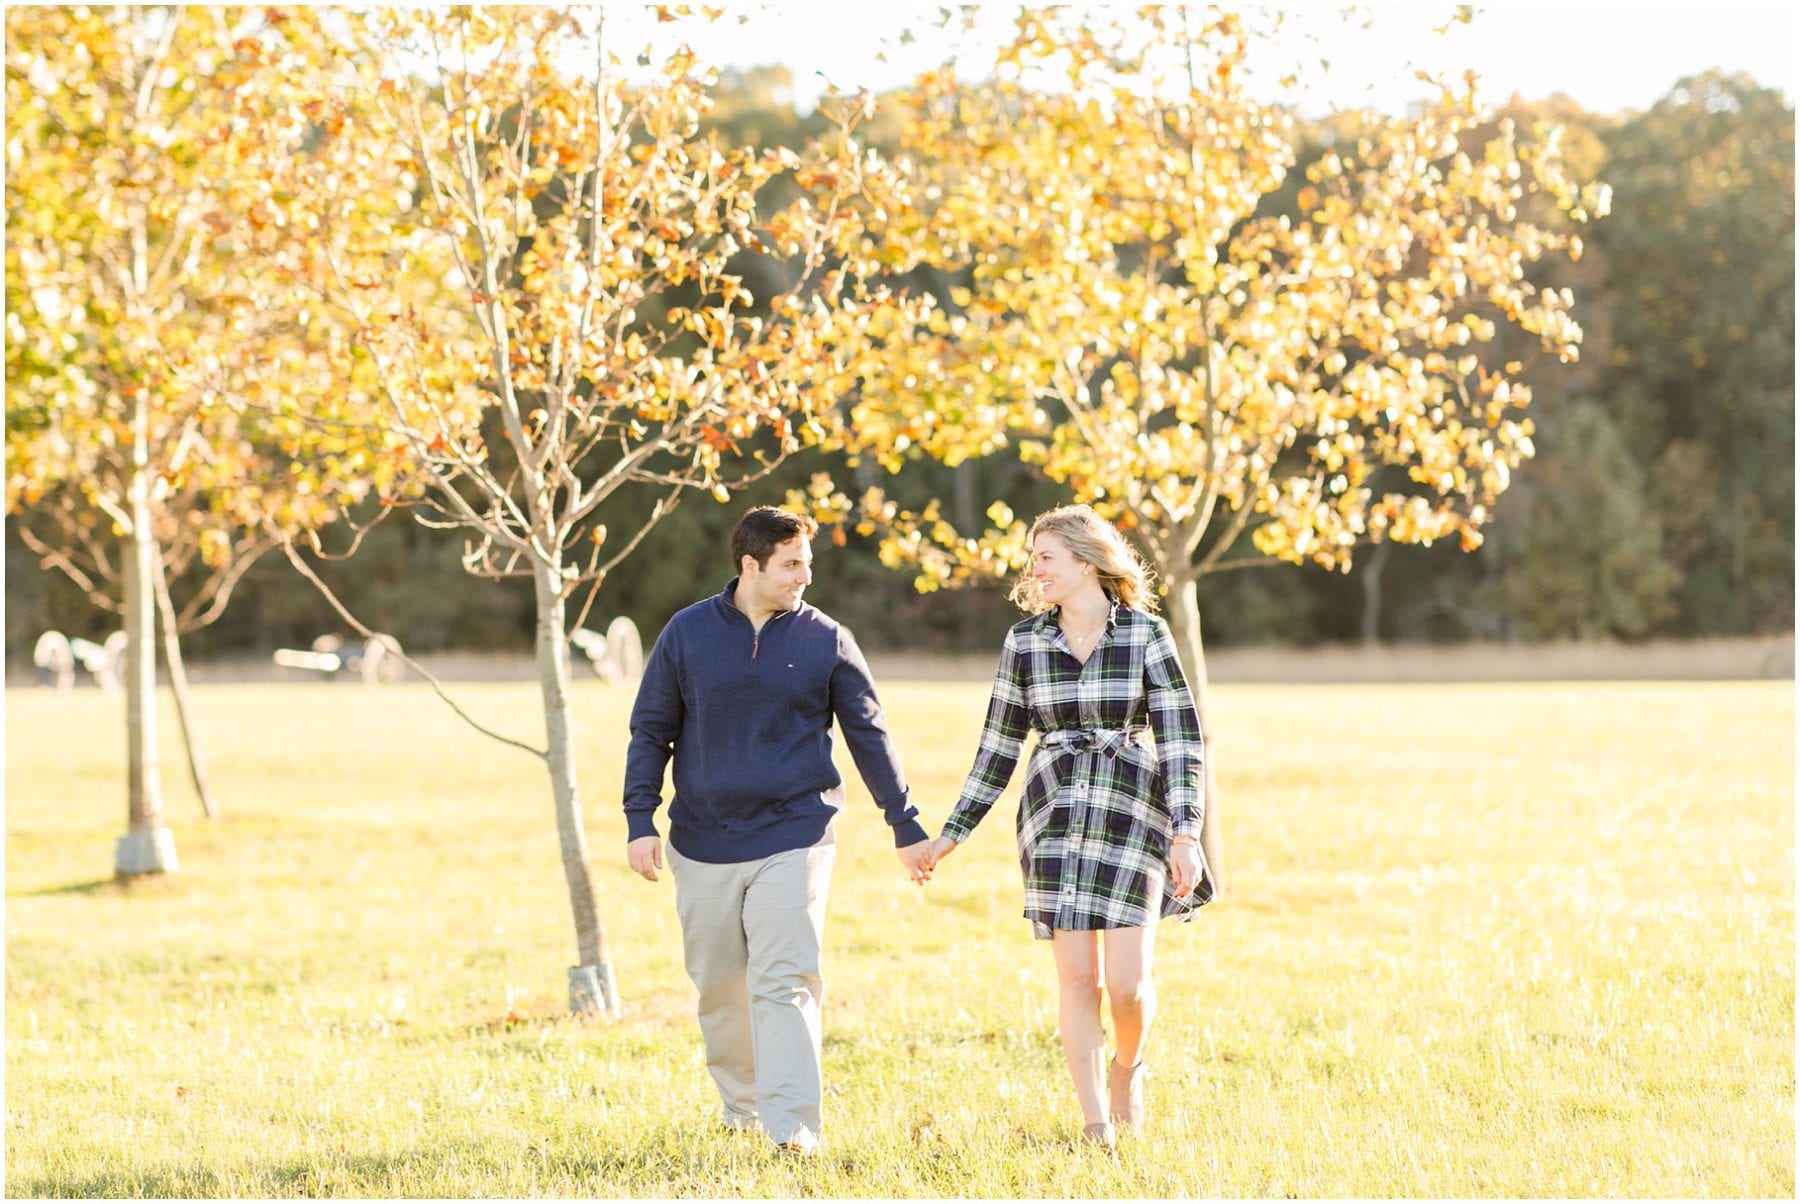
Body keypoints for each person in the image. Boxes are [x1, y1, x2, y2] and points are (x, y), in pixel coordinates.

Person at [624, 505, 935, 1157]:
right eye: (792, 564)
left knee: (787, 976)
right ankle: (742, 1107)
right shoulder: (686, 635)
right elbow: (651, 728)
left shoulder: (826, 638)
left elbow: (869, 736)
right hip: (701, 838)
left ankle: (793, 1126)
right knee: (719, 982)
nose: (804, 577)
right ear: (749, 565)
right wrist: (639, 818)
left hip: (796, 833)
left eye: (807, 563)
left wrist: (904, 824)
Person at [924, 504, 1214, 1150]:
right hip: (1052, 817)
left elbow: (1181, 740)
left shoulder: (1146, 635)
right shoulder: (1025, 642)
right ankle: (1095, 1125)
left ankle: (1126, 1068)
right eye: (1036, 559)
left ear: (1086, 561)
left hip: (1132, 812)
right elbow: (998, 747)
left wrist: (1186, 830)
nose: (1036, 571)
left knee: (1129, 986)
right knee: (1078, 979)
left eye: (1047, 558)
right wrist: (953, 833)